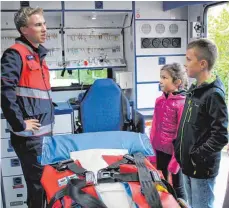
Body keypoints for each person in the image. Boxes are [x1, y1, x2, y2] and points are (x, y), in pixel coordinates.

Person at [1, 7, 54, 208]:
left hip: (43, 135)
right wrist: (19, 123)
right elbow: (5, 92)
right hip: (30, 138)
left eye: (44, 24)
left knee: (44, 185)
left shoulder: (37, 55)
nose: (44, 28)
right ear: (24, 30)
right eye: (38, 24)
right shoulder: (15, 55)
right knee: (38, 186)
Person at [173, 38, 228, 208]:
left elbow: (221, 135)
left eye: (189, 59)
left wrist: (197, 156)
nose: (185, 64)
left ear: (202, 63)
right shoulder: (194, 90)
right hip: (188, 164)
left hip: (201, 168)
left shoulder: (213, 94)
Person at [149, 63, 188, 200]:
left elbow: (182, 135)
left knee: (178, 186)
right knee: (162, 182)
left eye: (165, 78)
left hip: (175, 154)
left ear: (177, 82)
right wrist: (152, 149)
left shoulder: (182, 103)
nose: (160, 81)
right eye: (161, 77)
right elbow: (154, 127)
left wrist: (175, 161)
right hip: (160, 150)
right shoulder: (159, 101)